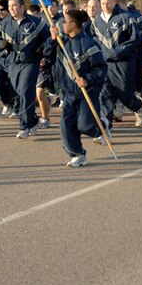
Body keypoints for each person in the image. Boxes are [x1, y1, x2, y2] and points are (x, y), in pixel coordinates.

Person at [49, 9, 107, 167]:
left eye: (65, 22)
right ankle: (78, 154)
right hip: (68, 92)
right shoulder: (62, 42)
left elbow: (100, 67)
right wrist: (53, 40)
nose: (62, 24)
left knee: (85, 126)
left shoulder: (88, 43)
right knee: (66, 126)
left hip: (86, 92)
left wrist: (88, 80)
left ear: (73, 24)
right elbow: (47, 56)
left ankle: (102, 126)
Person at [0, 0, 50, 138]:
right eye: (10, 6)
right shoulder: (4, 24)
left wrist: (42, 49)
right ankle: (33, 121)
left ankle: (24, 126)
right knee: (17, 95)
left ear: (22, 7)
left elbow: (48, 39)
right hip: (12, 63)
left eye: (14, 6)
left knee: (25, 92)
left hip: (30, 63)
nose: (12, 9)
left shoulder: (36, 23)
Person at [93, 0, 142, 132]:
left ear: (114, 1)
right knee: (105, 94)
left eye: (108, 3)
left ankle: (138, 107)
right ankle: (105, 127)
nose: (106, 6)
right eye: (103, 3)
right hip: (105, 63)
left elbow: (135, 39)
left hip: (123, 62)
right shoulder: (97, 19)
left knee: (124, 94)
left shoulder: (125, 17)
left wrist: (118, 51)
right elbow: (94, 39)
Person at [0, 0, 18, 118]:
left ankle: (16, 107)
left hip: (11, 58)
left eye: (2, 10)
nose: (0, 12)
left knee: (12, 85)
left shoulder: (14, 23)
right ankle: (6, 102)